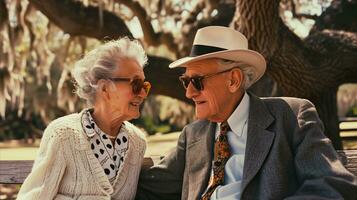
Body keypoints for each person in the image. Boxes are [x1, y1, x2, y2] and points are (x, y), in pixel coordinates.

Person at [136, 26, 357, 200]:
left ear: (233, 80)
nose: (189, 93)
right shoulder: (192, 135)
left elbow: (331, 183)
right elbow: (146, 187)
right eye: (186, 81)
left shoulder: (291, 116)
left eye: (197, 81)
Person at [17, 38, 151, 200]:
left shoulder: (137, 143)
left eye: (145, 86)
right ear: (105, 88)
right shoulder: (62, 135)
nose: (143, 94)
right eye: (136, 84)